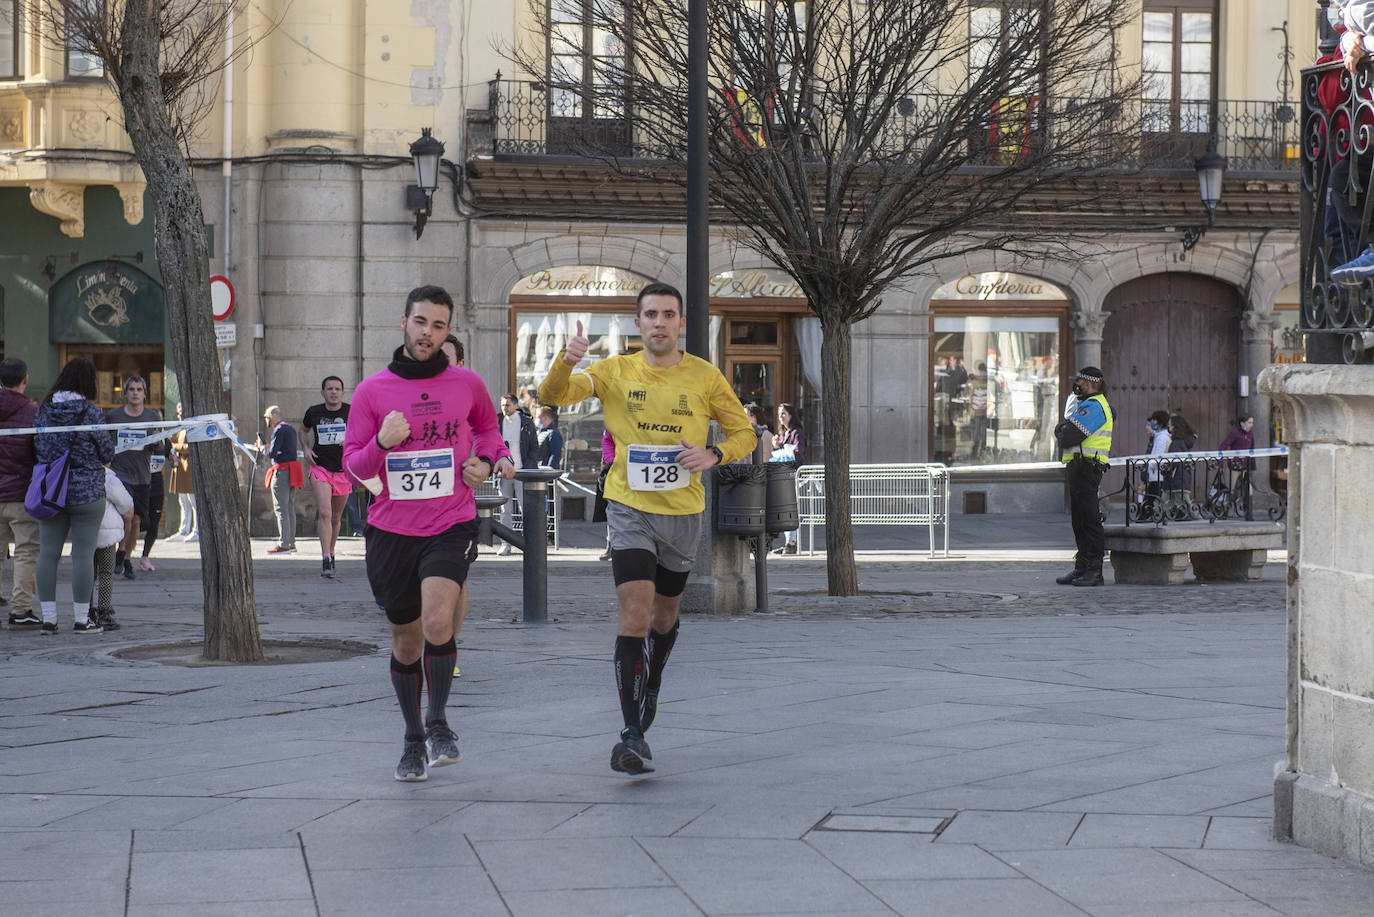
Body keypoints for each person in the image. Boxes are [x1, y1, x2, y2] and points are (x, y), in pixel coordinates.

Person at [540, 281, 756, 775]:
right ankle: (631, 735)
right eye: (650, 315)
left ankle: (651, 678)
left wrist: (714, 453)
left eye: (668, 315)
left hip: (682, 514)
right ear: (637, 324)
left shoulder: (704, 376)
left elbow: (745, 432)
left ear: (681, 323)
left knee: (664, 617)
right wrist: (567, 360)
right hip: (628, 506)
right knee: (634, 614)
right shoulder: (615, 370)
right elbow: (555, 397)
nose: (659, 322)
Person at [342, 284, 514, 782]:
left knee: (438, 621)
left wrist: (487, 459)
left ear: (447, 330)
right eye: (421, 323)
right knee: (405, 640)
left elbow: (487, 429)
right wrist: (381, 441)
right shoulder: (372, 391)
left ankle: (439, 720)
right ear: (404, 322)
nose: (428, 334)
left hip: (450, 521)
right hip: (390, 528)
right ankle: (412, 736)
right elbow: (354, 468)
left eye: (439, 326)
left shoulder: (467, 383)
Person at [35, 358, 115, 633]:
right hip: (87, 492)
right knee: (82, 555)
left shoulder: (44, 410)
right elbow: (107, 453)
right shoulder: (91, 413)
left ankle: (48, 618)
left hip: (50, 491)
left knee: (47, 554)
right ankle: (81, 620)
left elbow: (38, 448)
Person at [1053, 366, 1113, 587]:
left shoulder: (1095, 406)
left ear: (1089, 383)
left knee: (1089, 520)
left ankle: (1094, 570)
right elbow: (1066, 431)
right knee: (1079, 519)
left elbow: (1068, 435)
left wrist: (1062, 430)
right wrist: (1064, 429)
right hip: (1078, 466)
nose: (1076, 384)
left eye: (1079, 380)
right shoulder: (1085, 405)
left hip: (1088, 467)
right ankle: (1082, 566)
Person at [107, 375, 163, 580]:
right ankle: (120, 551)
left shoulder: (152, 416)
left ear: (145, 394)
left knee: (137, 521)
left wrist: (157, 441)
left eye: (139, 390)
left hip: (142, 475)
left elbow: (159, 446)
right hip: (120, 473)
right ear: (125, 393)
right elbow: (105, 441)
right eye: (131, 389)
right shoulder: (114, 416)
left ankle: (126, 558)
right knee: (126, 515)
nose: (135, 393)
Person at [0, 357, 40, 630]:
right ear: (25, 379)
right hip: (20, 493)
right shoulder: (32, 413)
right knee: (26, 552)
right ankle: (20, 610)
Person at [303, 376, 352, 578]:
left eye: (337, 388)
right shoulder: (313, 412)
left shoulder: (351, 411)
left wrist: (351, 441)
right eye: (329, 388)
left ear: (343, 392)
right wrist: (305, 448)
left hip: (343, 470)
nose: (333, 392)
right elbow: (303, 430)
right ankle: (325, 558)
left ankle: (331, 552)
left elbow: (365, 432)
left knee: (336, 517)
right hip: (320, 468)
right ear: (322, 392)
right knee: (325, 512)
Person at [92, 467, 135, 631]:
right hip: (107, 530)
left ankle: (85, 611)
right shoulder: (109, 478)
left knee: (88, 572)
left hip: (85, 529)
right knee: (106, 572)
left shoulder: (78, 472)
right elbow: (126, 503)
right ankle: (103, 611)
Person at [495, 392, 537, 556]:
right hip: (504, 473)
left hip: (522, 472)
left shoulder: (526, 422)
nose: (504, 408)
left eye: (507, 405)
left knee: (525, 508)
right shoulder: (498, 421)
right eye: (503, 405)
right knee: (505, 510)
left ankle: (530, 543)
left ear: (516, 405)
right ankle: (505, 544)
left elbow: (534, 447)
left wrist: (528, 468)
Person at [263, 406, 302, 554]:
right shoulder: (290, 429)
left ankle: (284, 543)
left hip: (282, 472)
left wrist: (263, 448)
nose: (266, 420)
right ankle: (290, 542)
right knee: (289, 508)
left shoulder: (279, 430)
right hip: (292, 472)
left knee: (281, 509)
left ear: (272, 416)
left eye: (266, 417)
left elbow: (272, 453)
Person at [771, 403, 807, 556]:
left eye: (784, 413)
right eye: (779, 414)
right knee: (786, 509)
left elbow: (798, 455)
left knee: (791, 509)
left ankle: (791, 543)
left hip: (792, 475)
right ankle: (788, 542)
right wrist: (777, 447)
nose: (781, 417)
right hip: (784, 475)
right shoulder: (785, 434)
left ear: (792, 415)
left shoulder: (797, 433)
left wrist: (784, 451)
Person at [167, 404, 197, 542]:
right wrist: (169, 439)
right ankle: (184, 530)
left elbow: (190, 446)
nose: (179, 415)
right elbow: (180, 443)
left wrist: (174, 445)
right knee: (183, 501)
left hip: (189, 467)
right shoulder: (182, 427)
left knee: (193, 501)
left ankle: (196, 530)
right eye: (178, 413)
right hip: (181, 467)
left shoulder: (192, 426)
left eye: (182, 412)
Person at [1141, 410, 1172, 517]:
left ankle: (1146, 516)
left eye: (1154, 420)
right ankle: (1147, 516)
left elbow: (1157, 456)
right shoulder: (1159, 436)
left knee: (1152, 498)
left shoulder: (1162, 438)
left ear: (1159, 421)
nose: (1152, 422)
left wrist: (1151, 465)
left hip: (1157, 474)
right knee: (1152, 498)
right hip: (1155, 475)